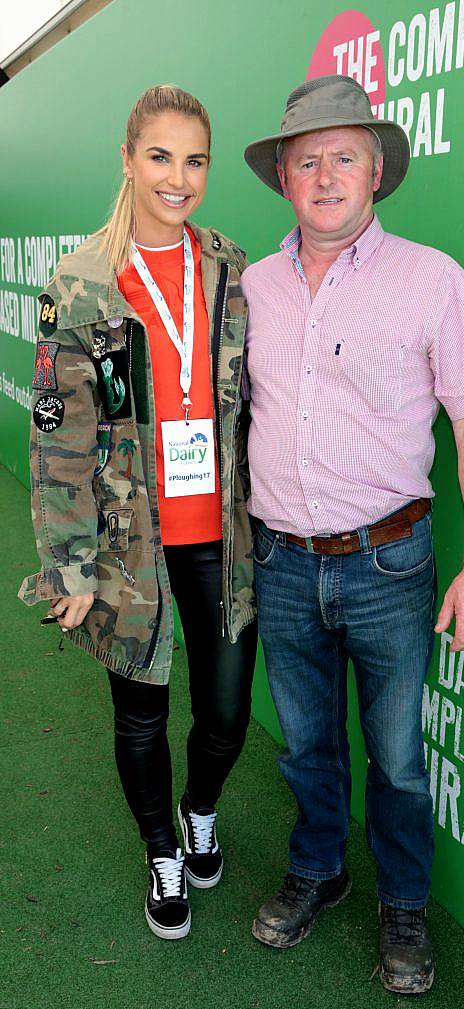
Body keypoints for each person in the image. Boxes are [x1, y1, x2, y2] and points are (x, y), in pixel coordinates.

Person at [241, 75, 464, 992]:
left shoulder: (431, 279)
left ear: (377, 173)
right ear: (284, 176)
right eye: (307, 159)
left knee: (397, 758)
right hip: (281, 561)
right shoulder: (253, 287)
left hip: (390, 562)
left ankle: (403, 905)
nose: (325, 175)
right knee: (306, 744)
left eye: (344, 157)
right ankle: (317, 873)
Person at [19, 86, 257, 940]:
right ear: (128, 158)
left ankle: (201, 809)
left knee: (227, 716)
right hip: (131, 551)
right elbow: (58, 440)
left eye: (194, 159)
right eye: (160, 156)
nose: (179, 177)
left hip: (223, 541)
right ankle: (164, 851)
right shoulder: (80, 284)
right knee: (142, 713)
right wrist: (72, 561)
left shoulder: (228, 261)